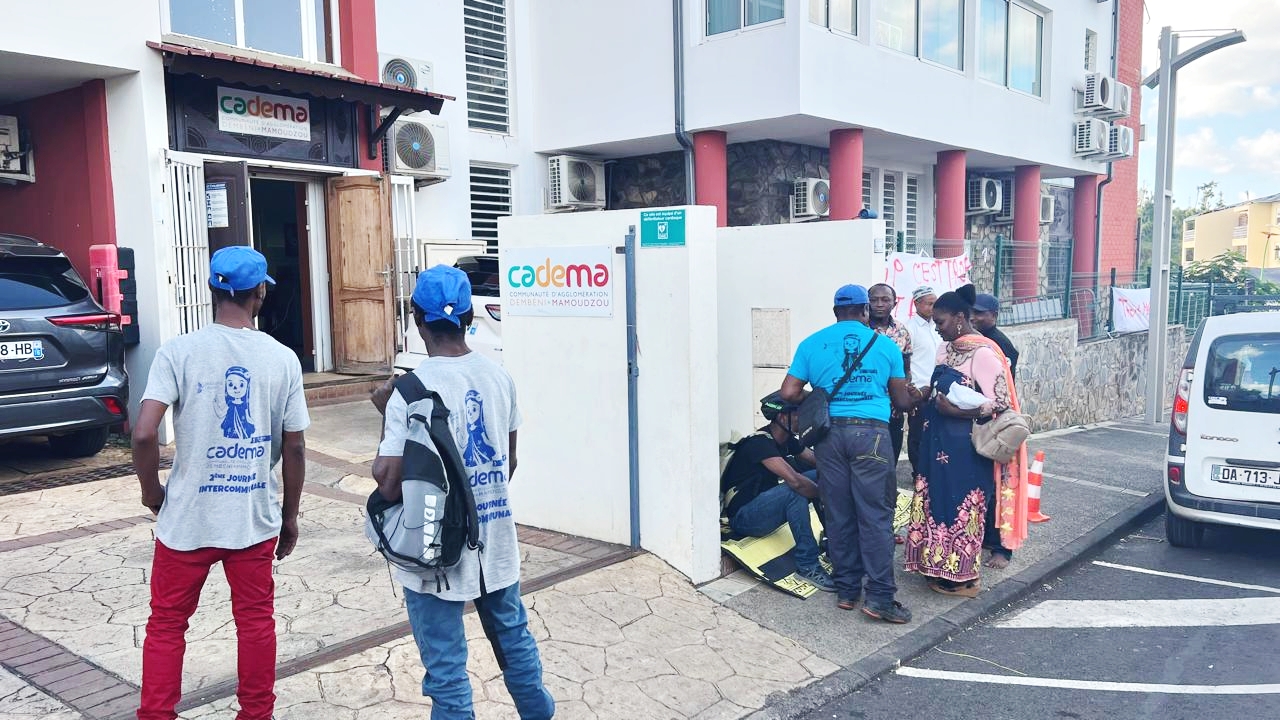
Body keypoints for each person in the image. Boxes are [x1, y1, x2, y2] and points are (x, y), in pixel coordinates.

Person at [132, 246, 310, 720]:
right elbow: (294, 448)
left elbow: (145, 431)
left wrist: (153, 494)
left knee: (167, 625)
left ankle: (155, 714)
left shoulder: (179, 352)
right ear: (260, 293)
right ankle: (255, 714)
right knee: (254, 623)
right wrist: (288, 516)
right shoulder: (283, 359)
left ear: (213, 290)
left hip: (186, 520)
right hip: (251, 520)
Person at [371, 265, 554, 720]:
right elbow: (507, 462)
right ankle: (538, 712)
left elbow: (389, 481)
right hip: (495, 540)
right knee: (513, 639)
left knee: (447, 669)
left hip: (435, 548)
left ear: (416, 319)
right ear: (470, 316)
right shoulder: (499, 377)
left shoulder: (408, 390)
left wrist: (383, 413)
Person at [782, 284, 915, 623]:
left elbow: (789, 391)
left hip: (829, 437)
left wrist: (820, 397)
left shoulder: (812, 344)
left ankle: (846, 590)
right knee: (874, 515)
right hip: (871, 434)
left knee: (838, 511)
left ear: (835, 312)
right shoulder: (885, 346)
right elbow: (901, 401)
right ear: (865, 311)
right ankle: (880, 597)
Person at [903, 284, 1029, 598]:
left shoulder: (984, 354)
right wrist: (923, 395)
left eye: (941, 322)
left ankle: (960, 577)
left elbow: (1001, 405)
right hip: (936, 442)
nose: (937, 328)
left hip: (966, 448)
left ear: (960, 317)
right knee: (937, 504)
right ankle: (933, 565)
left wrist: (957, 412)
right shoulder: (945, 350)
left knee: (961, 506)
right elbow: (938, 387)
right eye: (934, 322)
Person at [721, 392, 832, 591]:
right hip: (744, 518)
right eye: (799, 414)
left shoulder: (787, 441)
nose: (804, 418)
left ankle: (832, 541)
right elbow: (796, 482)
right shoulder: (759, 444)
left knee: (823, 475)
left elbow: (820, 463)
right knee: (794, 490)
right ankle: (808, 565)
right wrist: (825, 494)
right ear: (782, 417)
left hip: (765, 508)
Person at [905, 286, 942, 478]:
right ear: (917, 304)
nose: (933, 307)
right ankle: (918, 472)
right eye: (929, 303)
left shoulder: (938, 327)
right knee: (918, 434)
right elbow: (906, 362)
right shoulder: (909, 329)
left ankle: (932, 471)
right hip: (919, 391)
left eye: (935, 303)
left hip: (938, 390)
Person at [972, 293, 1019, 381]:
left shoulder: (1000, 342)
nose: (972, 317)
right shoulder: (975, 338)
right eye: (970, 312)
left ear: (994, 315)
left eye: (978, 313)